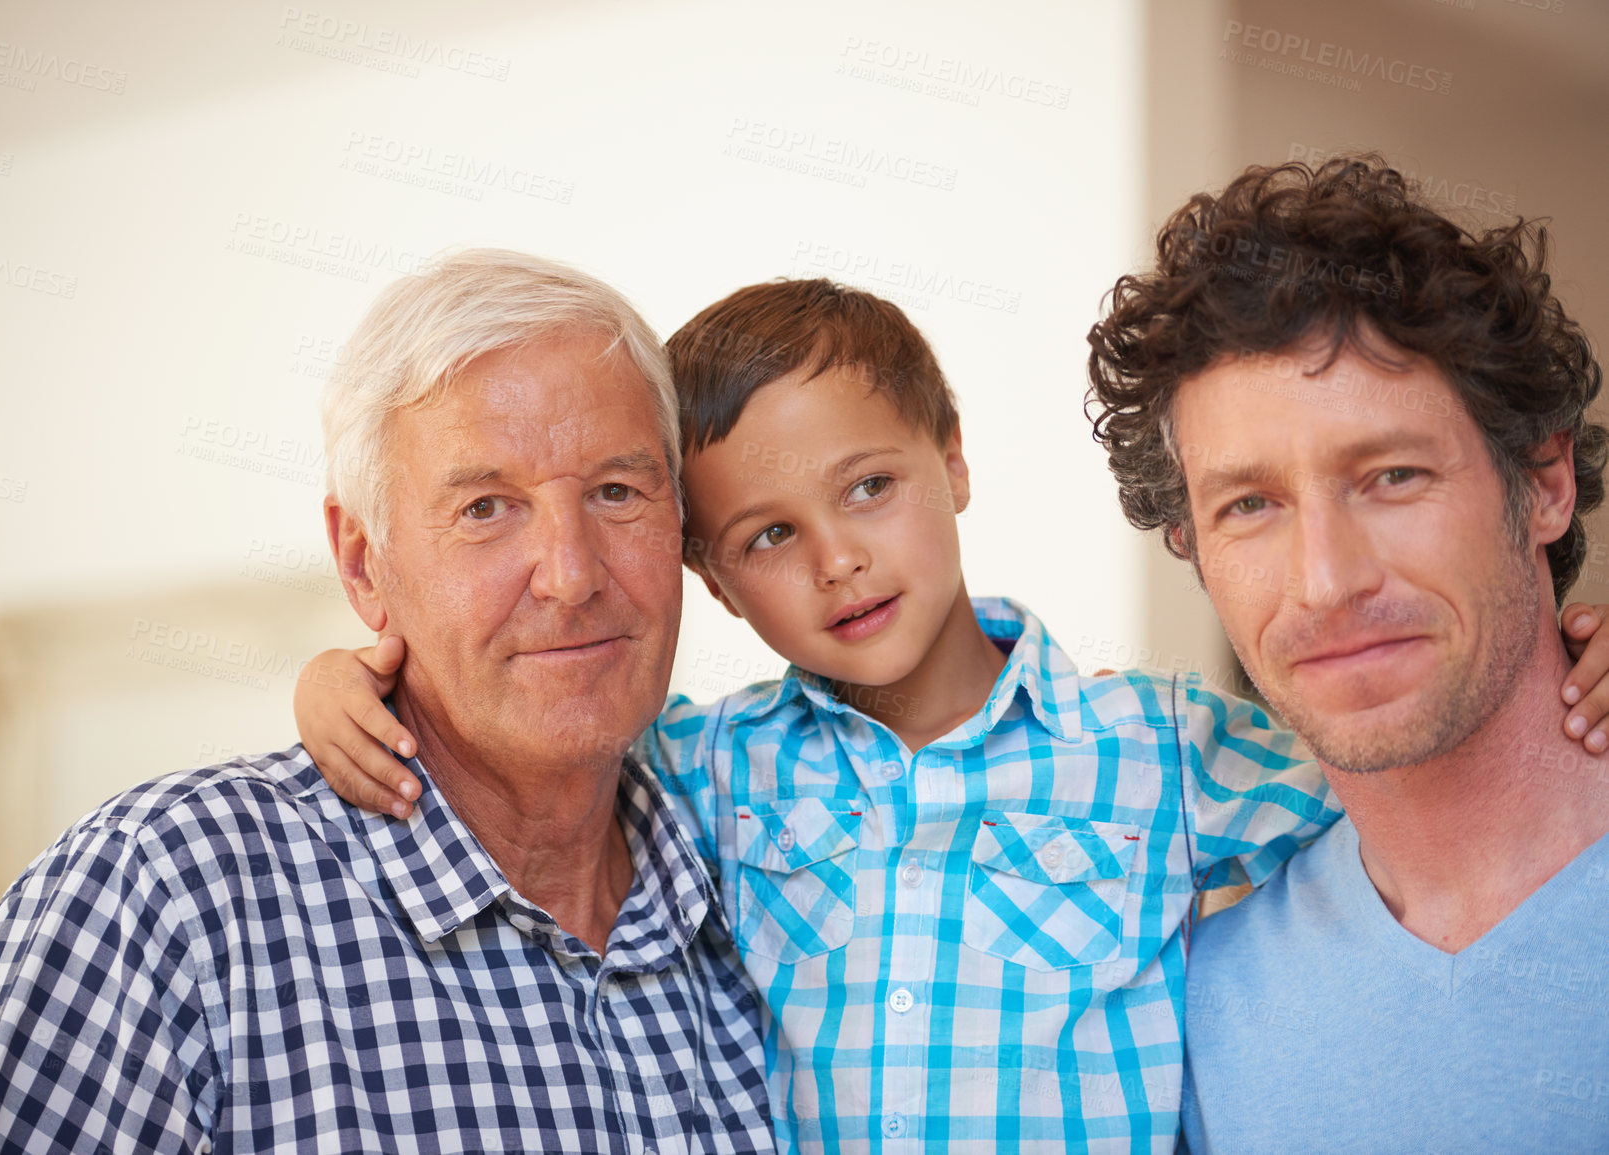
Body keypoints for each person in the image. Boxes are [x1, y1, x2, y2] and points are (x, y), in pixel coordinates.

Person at [295, 271, 1609, 1153]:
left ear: (954, 460)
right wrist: (345, 677)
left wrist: (1573, 654)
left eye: (868, 486)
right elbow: (523, 745)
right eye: (766, 532)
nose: (837, 559)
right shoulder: (700, 770)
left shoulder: (1158, 748)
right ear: (709, 578)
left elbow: (1415, 764)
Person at [0, 251, 778, 1153]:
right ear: (363, 562)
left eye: (615, 491)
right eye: (485, 507)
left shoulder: (769, 875)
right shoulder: (158, 895)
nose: (570, 575)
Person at [1086, 155, 1609, 1152]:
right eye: (1250, 506)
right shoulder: (1179, 1015)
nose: (1327, 580)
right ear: (1191, 545)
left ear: (1545, 481)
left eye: (1393, 476)